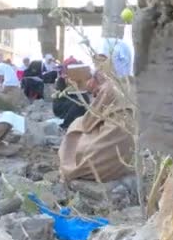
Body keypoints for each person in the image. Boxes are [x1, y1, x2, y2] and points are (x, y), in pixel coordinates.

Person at [58, 40, 134, 183]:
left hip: (99, 164)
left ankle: (74, 167)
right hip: (121, 159)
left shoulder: (111, 88)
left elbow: (89, 122)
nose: (97, 69)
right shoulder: (130, 84)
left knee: (77, 124)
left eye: (100, 63)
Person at [52, 57, 90, 129]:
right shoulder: (61, 79)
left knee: (84, 99)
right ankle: (66, 124)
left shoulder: (81, 77)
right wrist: (67, 82)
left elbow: (86, 90)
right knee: (77, 103)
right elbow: (59, 96)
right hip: (62, 104)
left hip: (75, 100)